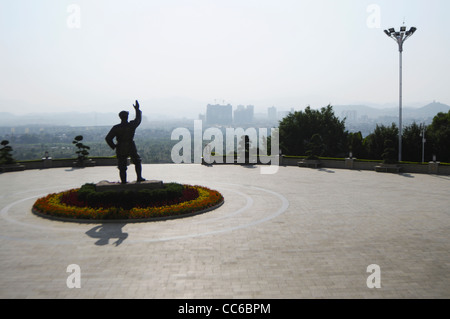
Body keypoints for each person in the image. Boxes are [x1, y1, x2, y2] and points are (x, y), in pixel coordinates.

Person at [105, 100, 145, 184]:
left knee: (122, 165)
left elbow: (108, 138)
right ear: (126, 117)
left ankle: (124, 181)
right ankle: (139, 177)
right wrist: (137, 110)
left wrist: (114, 146)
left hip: (121, 146)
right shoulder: (131, 125)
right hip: (130, 145)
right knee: (137, 161)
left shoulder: (116, 127)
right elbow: (138, 120)